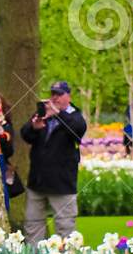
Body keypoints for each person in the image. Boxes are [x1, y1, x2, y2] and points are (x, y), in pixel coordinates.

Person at [19, 79, 88, 243]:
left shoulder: (74, 116)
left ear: (68, 96)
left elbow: (77, 130)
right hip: (37, 182)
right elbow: (25, 134)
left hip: (62, 184)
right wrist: (34, 127)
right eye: (53, 94)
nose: (55, 98)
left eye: (59, 94)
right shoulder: (45, 115)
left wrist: (58, 113)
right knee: (32, 226)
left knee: (65, 229)